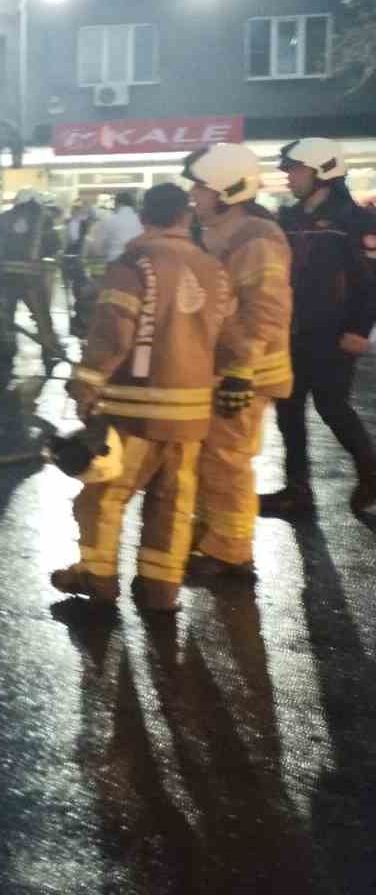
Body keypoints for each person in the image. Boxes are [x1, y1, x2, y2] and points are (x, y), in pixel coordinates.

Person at [52, 183, 236, 613]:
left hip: (135, 410)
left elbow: (114, 330)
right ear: (185, 218)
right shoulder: (213, 267)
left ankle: (96, 574)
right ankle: (160, 587)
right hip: (191, 412)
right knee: (173, 501)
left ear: (145, 217)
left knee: (104, 494)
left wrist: (86, 382)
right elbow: (228, 338)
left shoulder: (135, 264)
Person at [182, 143, 293, 581]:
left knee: (227, 459)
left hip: (245, 371)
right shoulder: (220, 232)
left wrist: (241, 370)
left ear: (227, 190)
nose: (193, 196)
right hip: (221, 367)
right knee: (210, 458)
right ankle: (213, 538)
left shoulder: (255, 238)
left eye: (200, 188)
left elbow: (266, 308)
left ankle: (230, 552)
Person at [261, 138, 376, 517]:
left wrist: (360, 328)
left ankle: (370, 472)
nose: (288, 177)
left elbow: (370, 279)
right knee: (288, 409)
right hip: (292, 331)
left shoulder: (356, 221)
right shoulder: (290, 219)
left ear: (322, 171)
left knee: (332, 405)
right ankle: (297, 489)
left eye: (294, 169)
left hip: (334, 333)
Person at [0, 189, 64, 369]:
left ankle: (4, 349)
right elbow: (54, 244)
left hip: (6, 276)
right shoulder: (42, 219)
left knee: (6, 315)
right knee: (41, 315)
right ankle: (50, 348)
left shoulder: (2, 219)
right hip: (31, 276)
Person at [62, 195, 101, 335]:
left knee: (82, 293)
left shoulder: (85, 225)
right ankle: (82, 324)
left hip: (79, 262)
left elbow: (74, 244)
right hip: (77, 262)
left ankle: (82, 324)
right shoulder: (75, 224)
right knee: (80, 293)